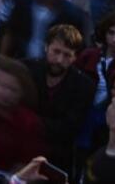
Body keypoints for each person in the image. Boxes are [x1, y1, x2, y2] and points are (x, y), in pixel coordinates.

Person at [22, 24, 95, 180]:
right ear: (46, 47)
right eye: (56, 52)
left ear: (75, 57)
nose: (59, 60)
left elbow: (69, 128)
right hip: (20, 148)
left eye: (67, 55)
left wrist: (29, 120)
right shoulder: (26, 70)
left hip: (55, 158)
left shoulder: (83, 86)